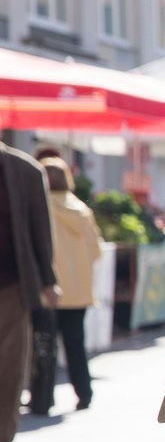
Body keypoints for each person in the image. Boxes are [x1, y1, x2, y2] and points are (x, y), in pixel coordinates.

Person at [1, 140, 58, 442]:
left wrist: (49, 281)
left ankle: (2, 441)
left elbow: (41, 230)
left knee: (9, 365)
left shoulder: (25, 171)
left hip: (11, 284)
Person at [27, 159, 98, 414]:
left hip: (47, 290)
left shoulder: (38, 208)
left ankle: (43, 399)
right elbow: (96, 250)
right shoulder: (81, 209)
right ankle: (84, 393)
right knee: (76, 345)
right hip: (78, 291)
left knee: (44, 345)